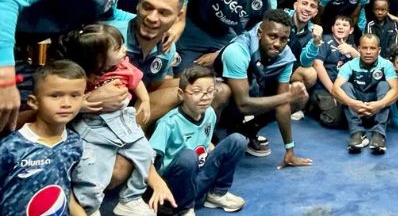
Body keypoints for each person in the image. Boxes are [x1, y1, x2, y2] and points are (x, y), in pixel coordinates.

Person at [0, 0, 162, 131]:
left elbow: (109, 15)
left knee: (28, 107)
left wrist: (159, 24)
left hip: (18, 42)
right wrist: (4, 77)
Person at [59, 24, 155, 216]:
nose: (125, 50)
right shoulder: (80, 76)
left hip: (123, 120)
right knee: (93, 170)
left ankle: (130, 198)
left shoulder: (123, 66)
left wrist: (145, 100)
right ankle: (89, 208)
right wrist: (83, 105)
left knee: (147, 153)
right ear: (98, 58)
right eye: (118, 48)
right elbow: (69, 101)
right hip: (92, 126)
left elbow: (137, 81)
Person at [214, 9, 312, 167]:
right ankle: (210, 140)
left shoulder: (286, 55)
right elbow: (243, 104)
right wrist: (288, 96)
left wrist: (289, 150)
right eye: (272, 36)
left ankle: (246, 131)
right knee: (221, 92)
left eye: (283, 39)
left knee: (299, 99)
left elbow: (283, 104)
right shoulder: (238, 50)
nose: (277, 44)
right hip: (223, 103)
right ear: (260, 33)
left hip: (252, 94)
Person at [149, 66, 247, 214]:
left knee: (237, 140)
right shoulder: (168, 123)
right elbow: (148, 161)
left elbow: (205, 143)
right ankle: (184, 209)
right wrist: (157, 187)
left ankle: (216, 194)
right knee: (188, 156)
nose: (205, 97)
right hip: (174, 189)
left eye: (210, 92)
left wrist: (216, 156)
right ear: (181, 94)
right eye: (196, 92)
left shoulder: (209, 114)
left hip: (199, 179)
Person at [0, 61, 86, 215]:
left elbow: (65, 189)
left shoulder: (74, 143)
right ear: (34, 102)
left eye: (75, 95)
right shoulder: (10, 147)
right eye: (55, 95)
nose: (66, 103)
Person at [331, 34, 398, 154]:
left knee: (384, 85)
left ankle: (378, 134)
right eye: (365, 48)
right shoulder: (349, 65)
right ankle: (357, 133)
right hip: (356, 111)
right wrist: (352, 103)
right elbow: (335, 89)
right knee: (345, 86)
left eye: (372, 48)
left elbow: (396, 90)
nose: (368, 52)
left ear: (379, 50)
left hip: (377, 110)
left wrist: (379, 104)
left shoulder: (386, 65)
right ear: (359, 49)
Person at [302, 15, 359, 129]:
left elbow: (364, 65)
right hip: (324, 89)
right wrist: (333, 90)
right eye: (337, 25)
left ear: (351, 30)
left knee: (358, 114)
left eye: (345, 25)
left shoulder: (352, 46)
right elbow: (318, 65)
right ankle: (313, 108)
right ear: (332, 28)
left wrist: (353, 52)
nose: (341, 27)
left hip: (344, 89)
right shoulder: (325, 41)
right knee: (335, 120)